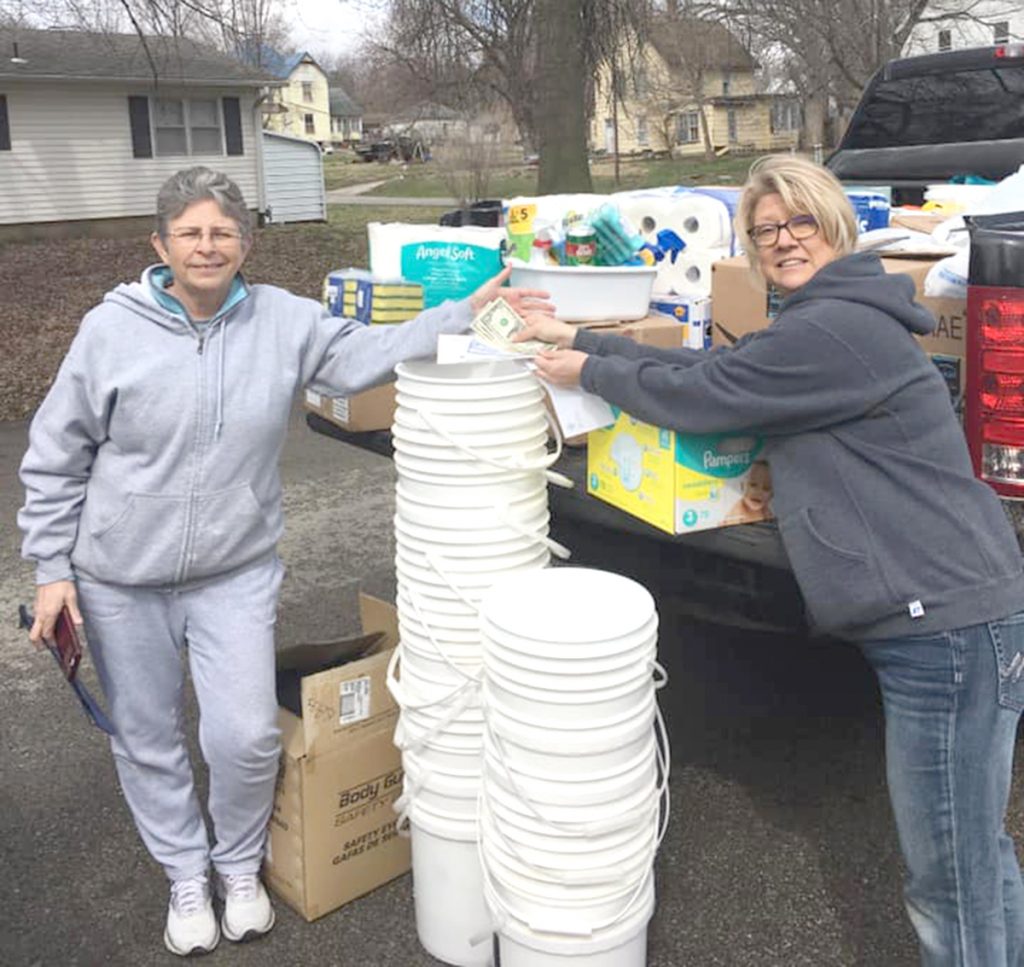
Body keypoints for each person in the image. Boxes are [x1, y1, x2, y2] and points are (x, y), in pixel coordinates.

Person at [18, 166, 552, 957]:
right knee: (147, 733)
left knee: (243, 737)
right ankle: (185, 876)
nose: (208, 245)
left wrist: (466, 311)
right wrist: (52, 569)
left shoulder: (285, 320)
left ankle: (237, 866)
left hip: (234, 570)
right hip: (119, 577)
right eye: (191, 232)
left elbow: (367, 352)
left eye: (224, 232)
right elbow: (56, 456)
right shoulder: (111, 330)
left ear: (247, 244)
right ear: (160, 244)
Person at [517, 154, 1024, 966]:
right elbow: (722, 369)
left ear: (836, 224)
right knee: (974, 852)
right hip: (956, 612)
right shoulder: (820, 318)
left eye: (799, 221)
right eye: (765, 230)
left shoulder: (834, 327)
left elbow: (706, 399)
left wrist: (591, 371)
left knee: (949, 880)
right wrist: (577, 338)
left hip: (946, 628)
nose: (783, 240)